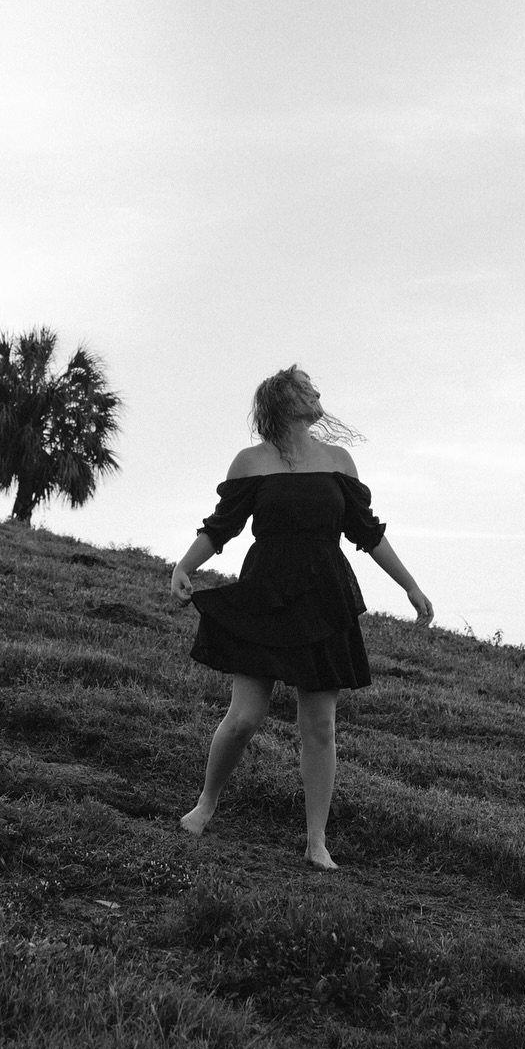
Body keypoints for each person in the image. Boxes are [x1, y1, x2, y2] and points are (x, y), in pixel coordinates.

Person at [170, 365, 433, 870]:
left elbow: (367, 532)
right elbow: (221, 527)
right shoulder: (251, 462)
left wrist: (410, 585)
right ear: (285, 400)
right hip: (265, 592)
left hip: (324, 595)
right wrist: (185, 565)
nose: (318, 395)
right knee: (245, 717)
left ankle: (316, 841)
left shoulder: (338, 461)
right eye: (309, 388)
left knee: (320, 726)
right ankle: (206, 804)